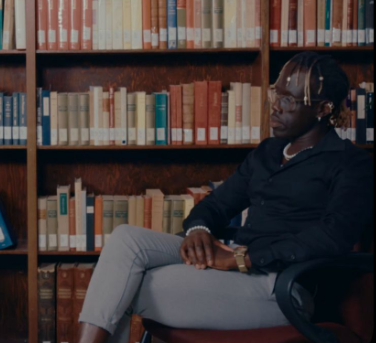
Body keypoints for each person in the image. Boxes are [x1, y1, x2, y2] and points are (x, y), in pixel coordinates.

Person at [76, 51, 373, 343]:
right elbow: (218, 204)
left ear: (322, 110)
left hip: (282, 287)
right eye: (275, 95)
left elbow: (334, 236)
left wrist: (242, 258)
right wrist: (198, 230)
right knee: (125, 240)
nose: (275, 107)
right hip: (237, 270)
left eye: (288, 101)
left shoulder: (350, 163)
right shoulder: (268, 152)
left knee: (129, 284)